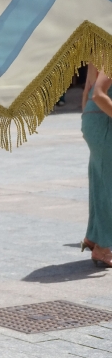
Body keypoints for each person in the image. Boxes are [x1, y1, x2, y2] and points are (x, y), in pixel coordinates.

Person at [80, 63, 112, 268]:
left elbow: (88, 90)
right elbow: (98, 94)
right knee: (107, 184)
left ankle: (93, 236)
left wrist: (87, 120)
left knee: (101, 180)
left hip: (97, 119)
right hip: (103, 120)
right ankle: (102, 247)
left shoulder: (99, 52)